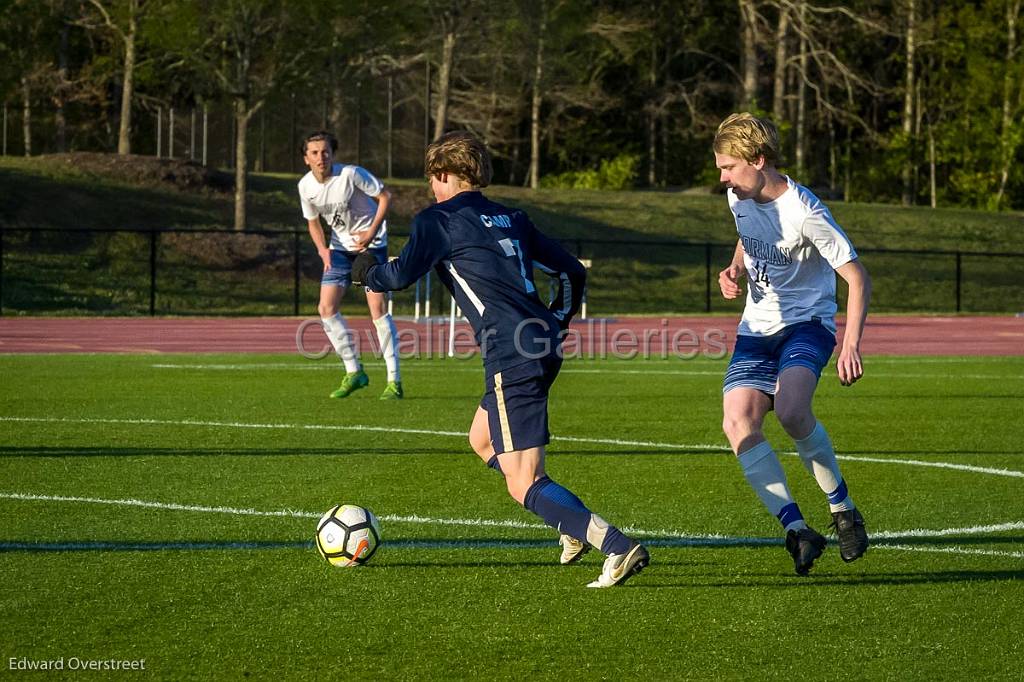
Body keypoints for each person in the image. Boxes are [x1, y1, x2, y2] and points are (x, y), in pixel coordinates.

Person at [352, 131, 649, 588]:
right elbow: (570, 269)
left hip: (512, 352)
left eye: (433, 179)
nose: (432, 188)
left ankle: (613, 545)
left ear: (445, 174)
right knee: (482, 440)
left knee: (523, 479)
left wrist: (366, 272)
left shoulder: (439, 220)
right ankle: (567, 527)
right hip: (539, 343)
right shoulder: (511, 216)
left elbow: (400, 275)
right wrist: (559, 319)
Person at [714, 112, 871, 576]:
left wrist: (850, 344)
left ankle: (843, 509)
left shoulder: (805, 211)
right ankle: (799, 529)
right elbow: (746, 235)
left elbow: (857, 278)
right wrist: (734, 267)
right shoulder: (736, 196)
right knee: (737, 422)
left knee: (792, 412)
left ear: (758, 160)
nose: (722, 177)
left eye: (728, 167)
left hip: (807, 324)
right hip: (755, 330)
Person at [298, 130, 402, 400]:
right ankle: (354, 371)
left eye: (325, 151)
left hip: (371, 246)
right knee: (325, 308)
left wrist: (371, 233)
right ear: (306, 158)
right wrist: (323, 251)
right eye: (315, 152)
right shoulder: (305, 186)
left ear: (332, 153)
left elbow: (385, 196)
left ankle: (394, 380)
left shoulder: (351, 174)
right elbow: (312, 222)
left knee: (377, 310)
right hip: (340, 250)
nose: (321, 157)